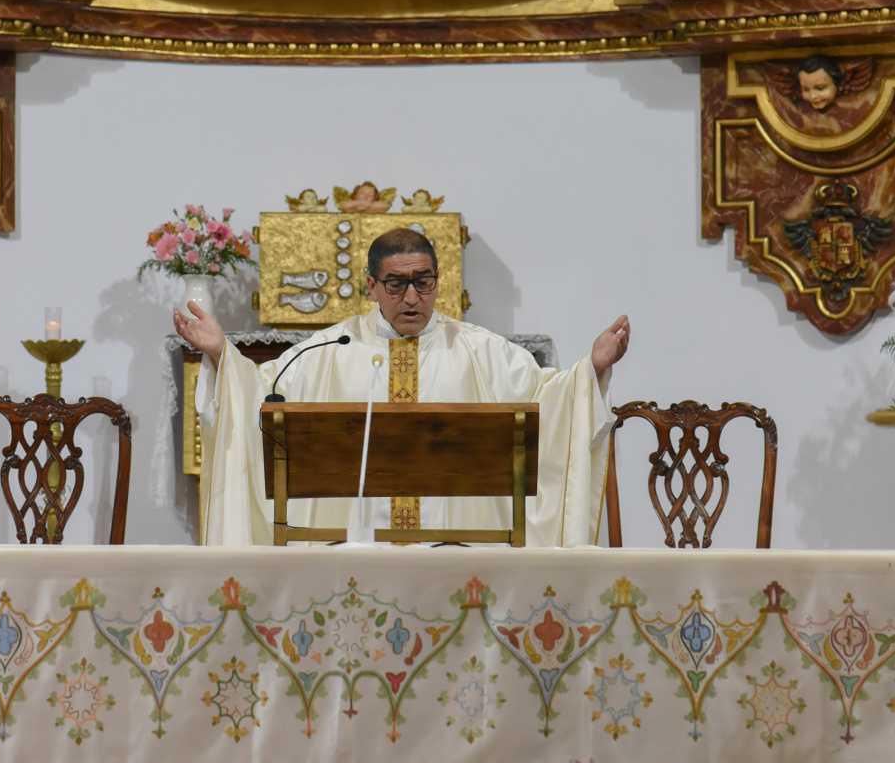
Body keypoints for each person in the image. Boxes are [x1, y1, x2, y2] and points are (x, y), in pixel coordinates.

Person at [174, 226, 630, 549]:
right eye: (396, 284)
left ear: (436, 282)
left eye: (423, 282)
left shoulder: (480, 350)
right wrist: (222, 356)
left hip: (458, 553)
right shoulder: (331, 347)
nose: (412, 297)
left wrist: (590, 368)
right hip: (352, 552)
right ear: (371, 286)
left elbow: (549, 401)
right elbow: (259, 394)